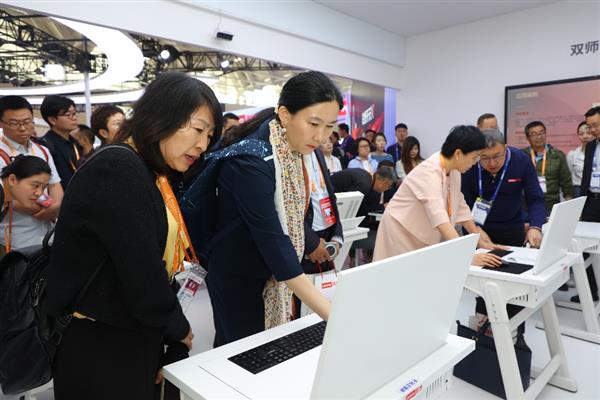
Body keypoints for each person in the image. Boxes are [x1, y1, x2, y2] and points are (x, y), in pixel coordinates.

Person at [43, 72, 223, 399]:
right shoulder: (119, 167)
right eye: (198, 129)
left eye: (210, 136)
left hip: (126, 332)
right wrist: (178, 329)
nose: (203, 144)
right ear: (160, 116)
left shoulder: (146, 171)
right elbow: (140, 270)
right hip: (101, 344)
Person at [182, 71, 341, 347]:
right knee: (240, 352)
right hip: (238, 276)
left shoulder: (294, 149)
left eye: (329, 126)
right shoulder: (251, 162)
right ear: (285, 114)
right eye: (314, 123)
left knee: (268, 348)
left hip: (272, 273)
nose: (321, 136)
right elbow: (273, 240)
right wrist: (334, 316)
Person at [373, 125, 503, 267]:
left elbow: (460, 204)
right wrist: (466, 255)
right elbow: (439, 217)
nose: (474, 163)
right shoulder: (429, 172)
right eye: (474, 158)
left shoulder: (454, 170)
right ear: (458, 154)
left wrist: (479, 240)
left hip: (420, 232)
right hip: (400, 230)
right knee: (398, 274)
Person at [462, 128, 546, 248]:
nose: (492, 163)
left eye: (497, 156)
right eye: (484, 157)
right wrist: (474, 228)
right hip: (476, 227)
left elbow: (536, 198)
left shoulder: (521, 160)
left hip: (512, 228)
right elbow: (463, 201)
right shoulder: (469, 164)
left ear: (505, 148)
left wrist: (535, 226)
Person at [0, 95, 63, 250]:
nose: (22, 128)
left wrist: (57, 206)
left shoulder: (42, 150)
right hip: (16, 236)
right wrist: (48, 209)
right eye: (14, 123)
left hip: (48, 232)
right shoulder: (2, 153)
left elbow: (54, 184)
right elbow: (5, 197)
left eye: (27, 122)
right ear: (1, 123)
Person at [572, 106, 600, 303]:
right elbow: (585, 178)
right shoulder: (590, 147)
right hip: (592, 201)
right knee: (586, 247)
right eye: (590, 126)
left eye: (595, 125)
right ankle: (590, 291)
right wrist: (581, 205)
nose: (592, 130)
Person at [0, 155, 52, 256]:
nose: (39, 193)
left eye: (43, 188)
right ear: (12, 180)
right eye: (35, 185)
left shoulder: (5, 200)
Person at [522, 120, 573, 214]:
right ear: (527, 137)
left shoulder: (557, 155)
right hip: (527, 204)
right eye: (534, 134)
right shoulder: (521, 156)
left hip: (551, 203)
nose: (539, 137)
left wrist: (570, 205)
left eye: (541, 133)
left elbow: (566, 182)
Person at [38, 95, 83, 189]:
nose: (74, 118)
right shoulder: (45, 146)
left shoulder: (75, 143)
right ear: (52, 120)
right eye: (68, 115)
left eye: (74, 113)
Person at [567, 122, 593, 197]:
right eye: (581, 134)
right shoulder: (572, 154)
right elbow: (570, 174)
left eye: (588, 133)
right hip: (578, 189)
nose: (585, 136)